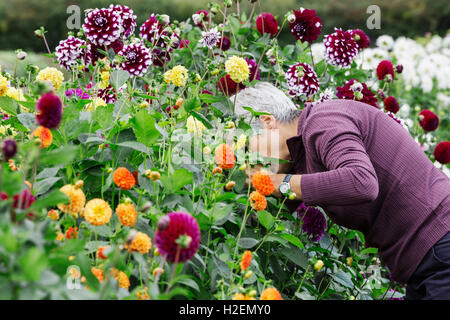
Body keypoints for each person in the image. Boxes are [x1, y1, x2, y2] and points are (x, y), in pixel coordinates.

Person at [232, 81, 450, 300]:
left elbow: (361, 181)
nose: (252, 162)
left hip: (440, 242)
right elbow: (269, 215)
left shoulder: (323, 121)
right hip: (426, 259)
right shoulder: (301, 153)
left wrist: (279, 181)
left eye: (247, 148)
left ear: (267, 122)